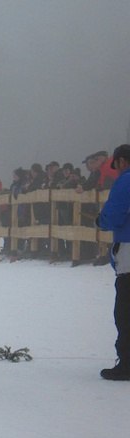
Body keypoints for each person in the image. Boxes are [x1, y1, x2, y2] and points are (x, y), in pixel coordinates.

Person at [96, 144, 130, 380]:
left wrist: (101, 220)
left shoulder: (126, 181)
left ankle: (127, 363)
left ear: (121, 161)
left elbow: (115, 214)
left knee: (125, 309)